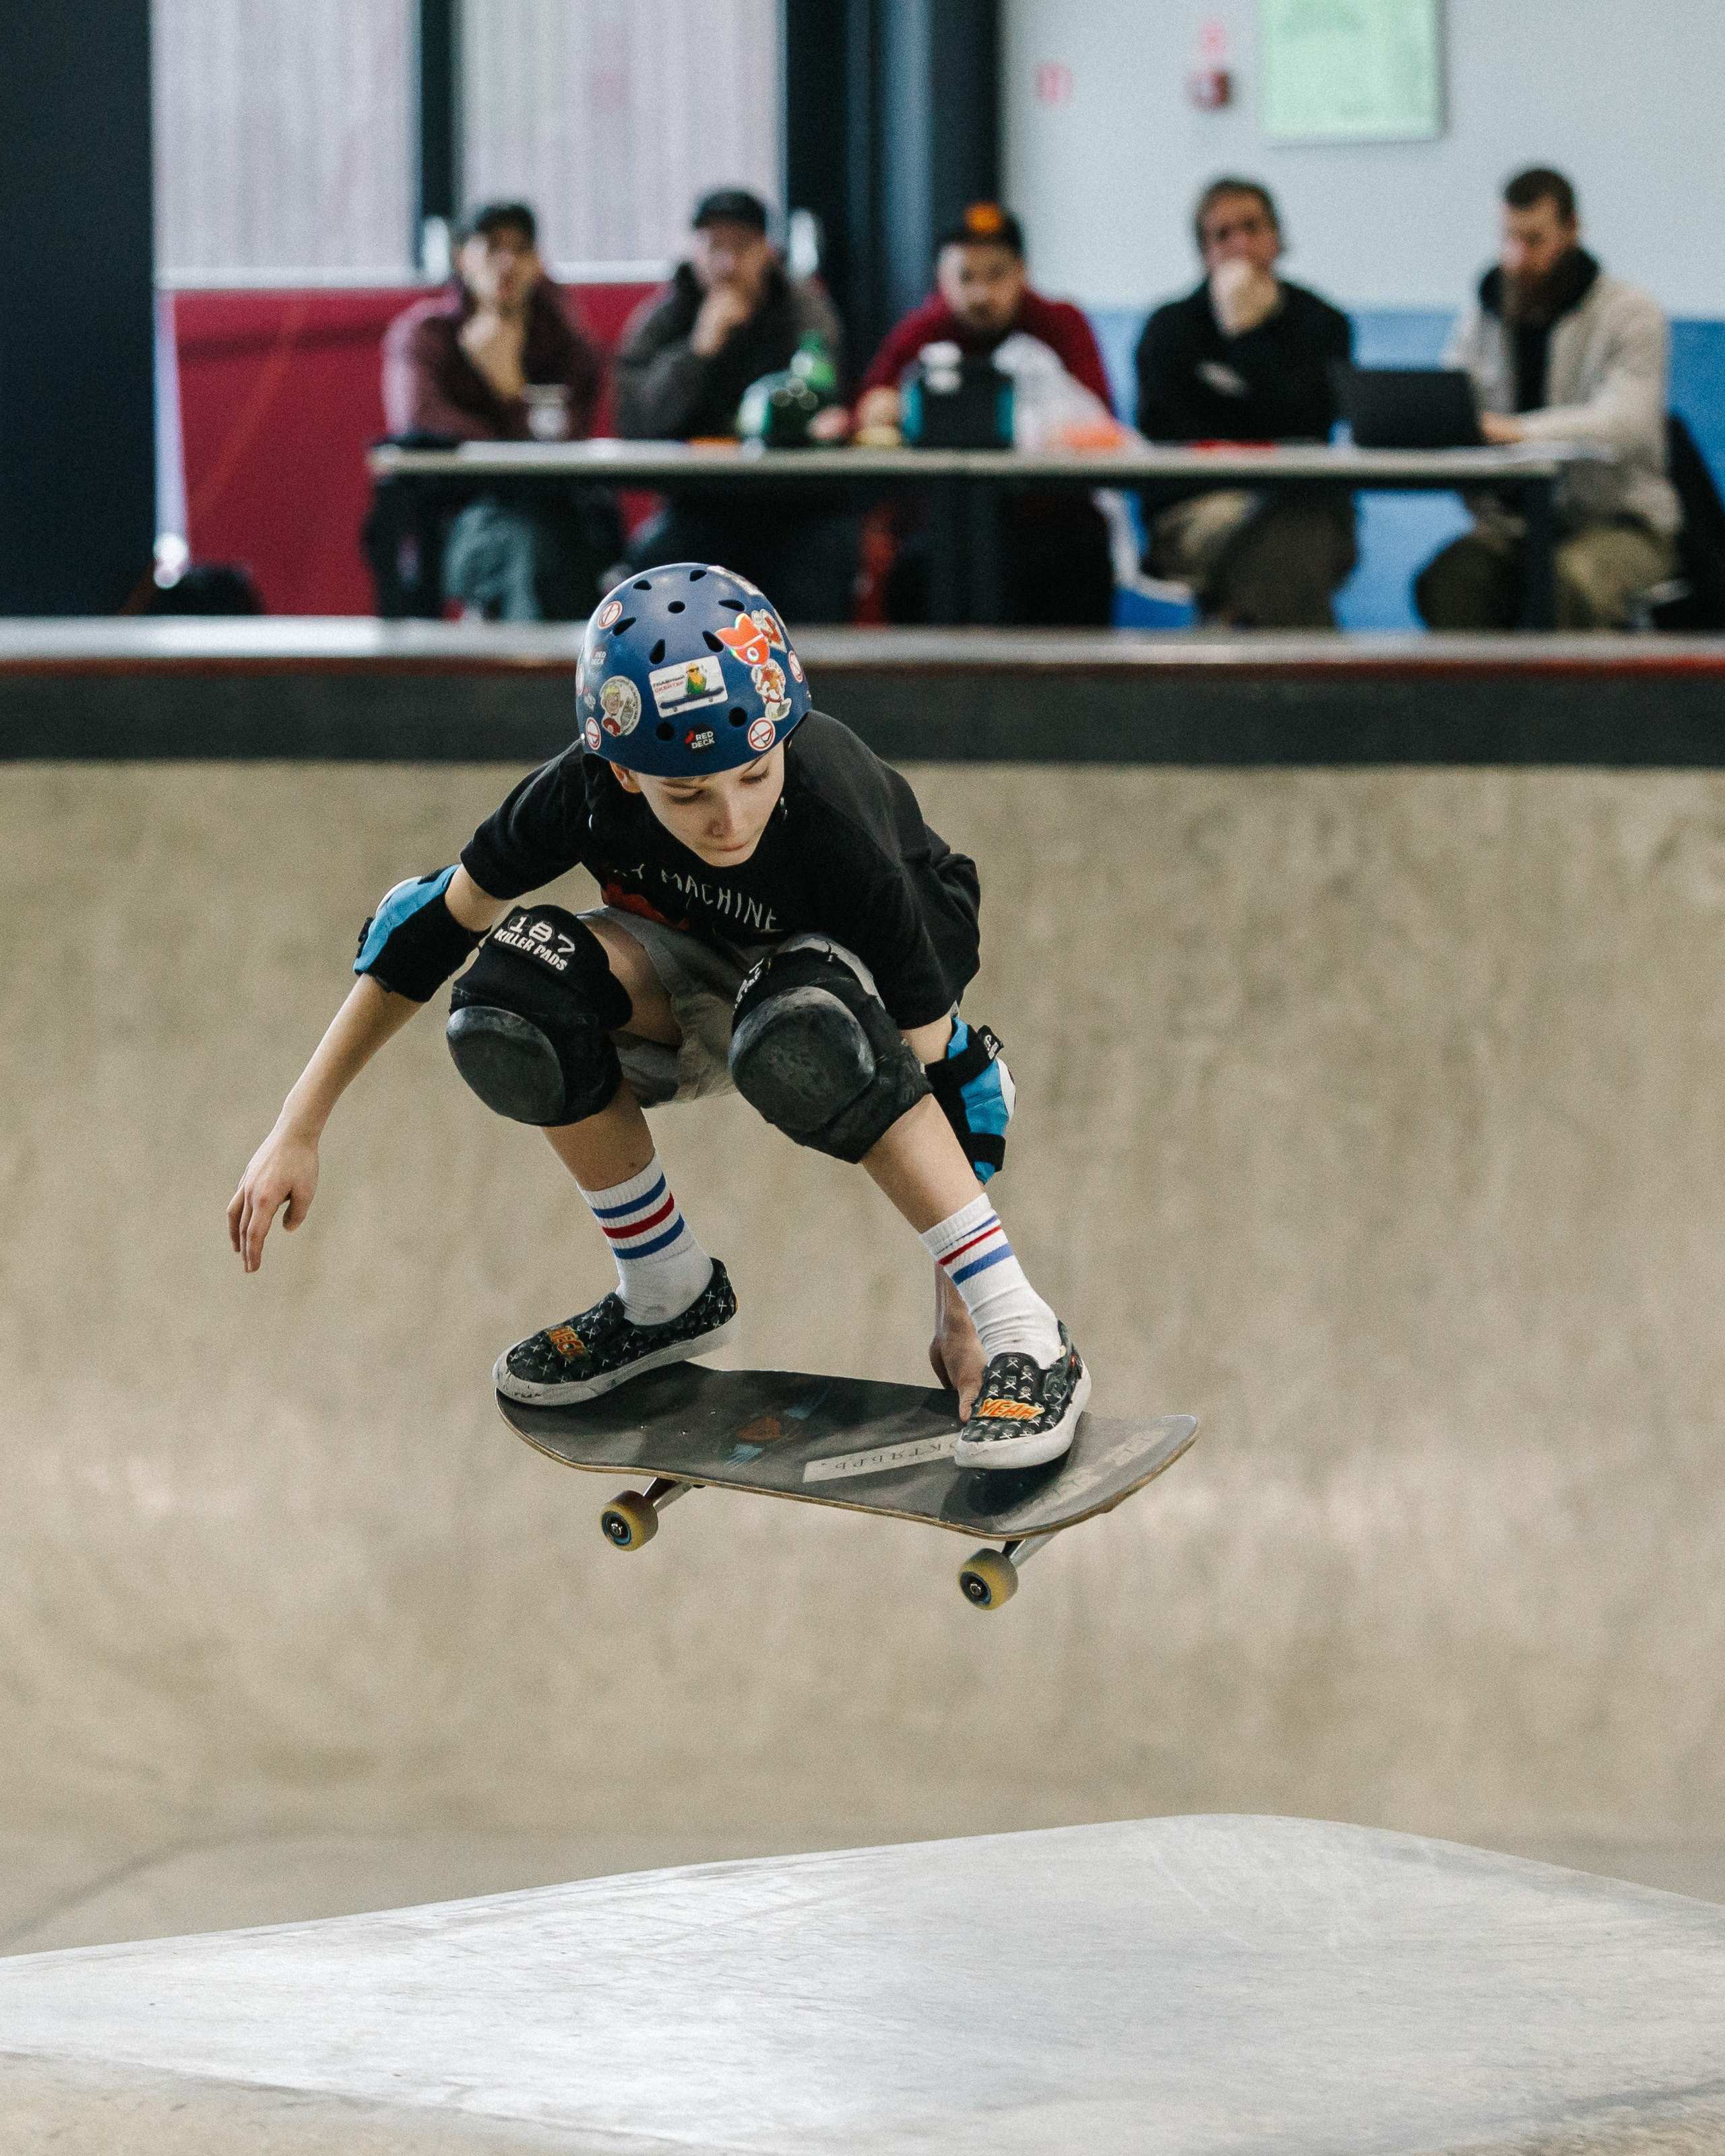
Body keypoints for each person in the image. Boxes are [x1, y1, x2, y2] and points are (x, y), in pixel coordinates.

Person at [228, 563, 1090, 1470]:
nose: (731, 818)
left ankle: (1035, 1333)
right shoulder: (581, 790)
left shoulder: (835, 821)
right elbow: (422, 934)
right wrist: (299, 1126)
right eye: (688, 794)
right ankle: (665, 1291)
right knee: (508, 995)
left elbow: (960, 1083)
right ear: (627, 775)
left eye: (755, 775)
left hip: (842, 989)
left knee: (802, 1026)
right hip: (687, 973)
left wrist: (972, 1320)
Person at [1416, 168, 1681, 631]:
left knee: (1569, 584)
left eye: (1534, 240)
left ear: (1571, 231)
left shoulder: (1630, 313)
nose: (1517, 258)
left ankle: (1574, 706)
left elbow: (1626, 424)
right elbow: (1453, 401)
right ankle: (1477, 705)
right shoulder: (1485, 313)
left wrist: (1518, 432)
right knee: (1452, 580)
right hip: (1516, 529)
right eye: (1508, 238)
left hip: (1623, 525)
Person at [854, 202, 1117, 625]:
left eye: (995, 275)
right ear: (942, 279)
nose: (980, 293)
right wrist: (879, 413)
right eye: (965, 277)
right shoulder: (920, 332)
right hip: (941, 528)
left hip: (1049, 525)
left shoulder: (1061, 325)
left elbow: (1103, 423)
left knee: (1077, 553)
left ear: (1022, 273)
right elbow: (865, 416)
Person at [614, 191, 858, 623]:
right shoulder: (665, 317)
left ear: (767, 250)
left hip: (791, 508)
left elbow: (827, 399)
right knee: (653, 565)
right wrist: (698, 351)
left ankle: (810, 687)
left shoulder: (804, 310)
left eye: (741, 247)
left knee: (830, 553)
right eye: (713, 247)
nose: (726, 263)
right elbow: (634, 422)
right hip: (699, 508)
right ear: (693, 251)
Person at [1133, 177, 1356, 629]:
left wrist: (1247, 335)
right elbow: (1167, 436)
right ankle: (1316, 688)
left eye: (1252, 228)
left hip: (1301, 498)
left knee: (1295, 529)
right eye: (1222, 234)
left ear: (1277, 237)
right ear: (1203, 251)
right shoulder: (1169, 330)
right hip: (1199, 507)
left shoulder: (1323, 325)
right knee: (1290, 548)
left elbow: (1308, 421)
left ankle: (1226, 631)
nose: (1239, 245)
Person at [380, 201, 617, 621]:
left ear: (537, 261)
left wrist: (509, 387)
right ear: (462, 259)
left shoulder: (568, 342)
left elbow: (563, 442)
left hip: (559, 511)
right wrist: (512, 421)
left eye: (521, 250)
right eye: (491, 248)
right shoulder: (425, 335)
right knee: (524, 547)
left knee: (558, 542)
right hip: (459, 516)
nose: (507, 263)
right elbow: (421, 420)